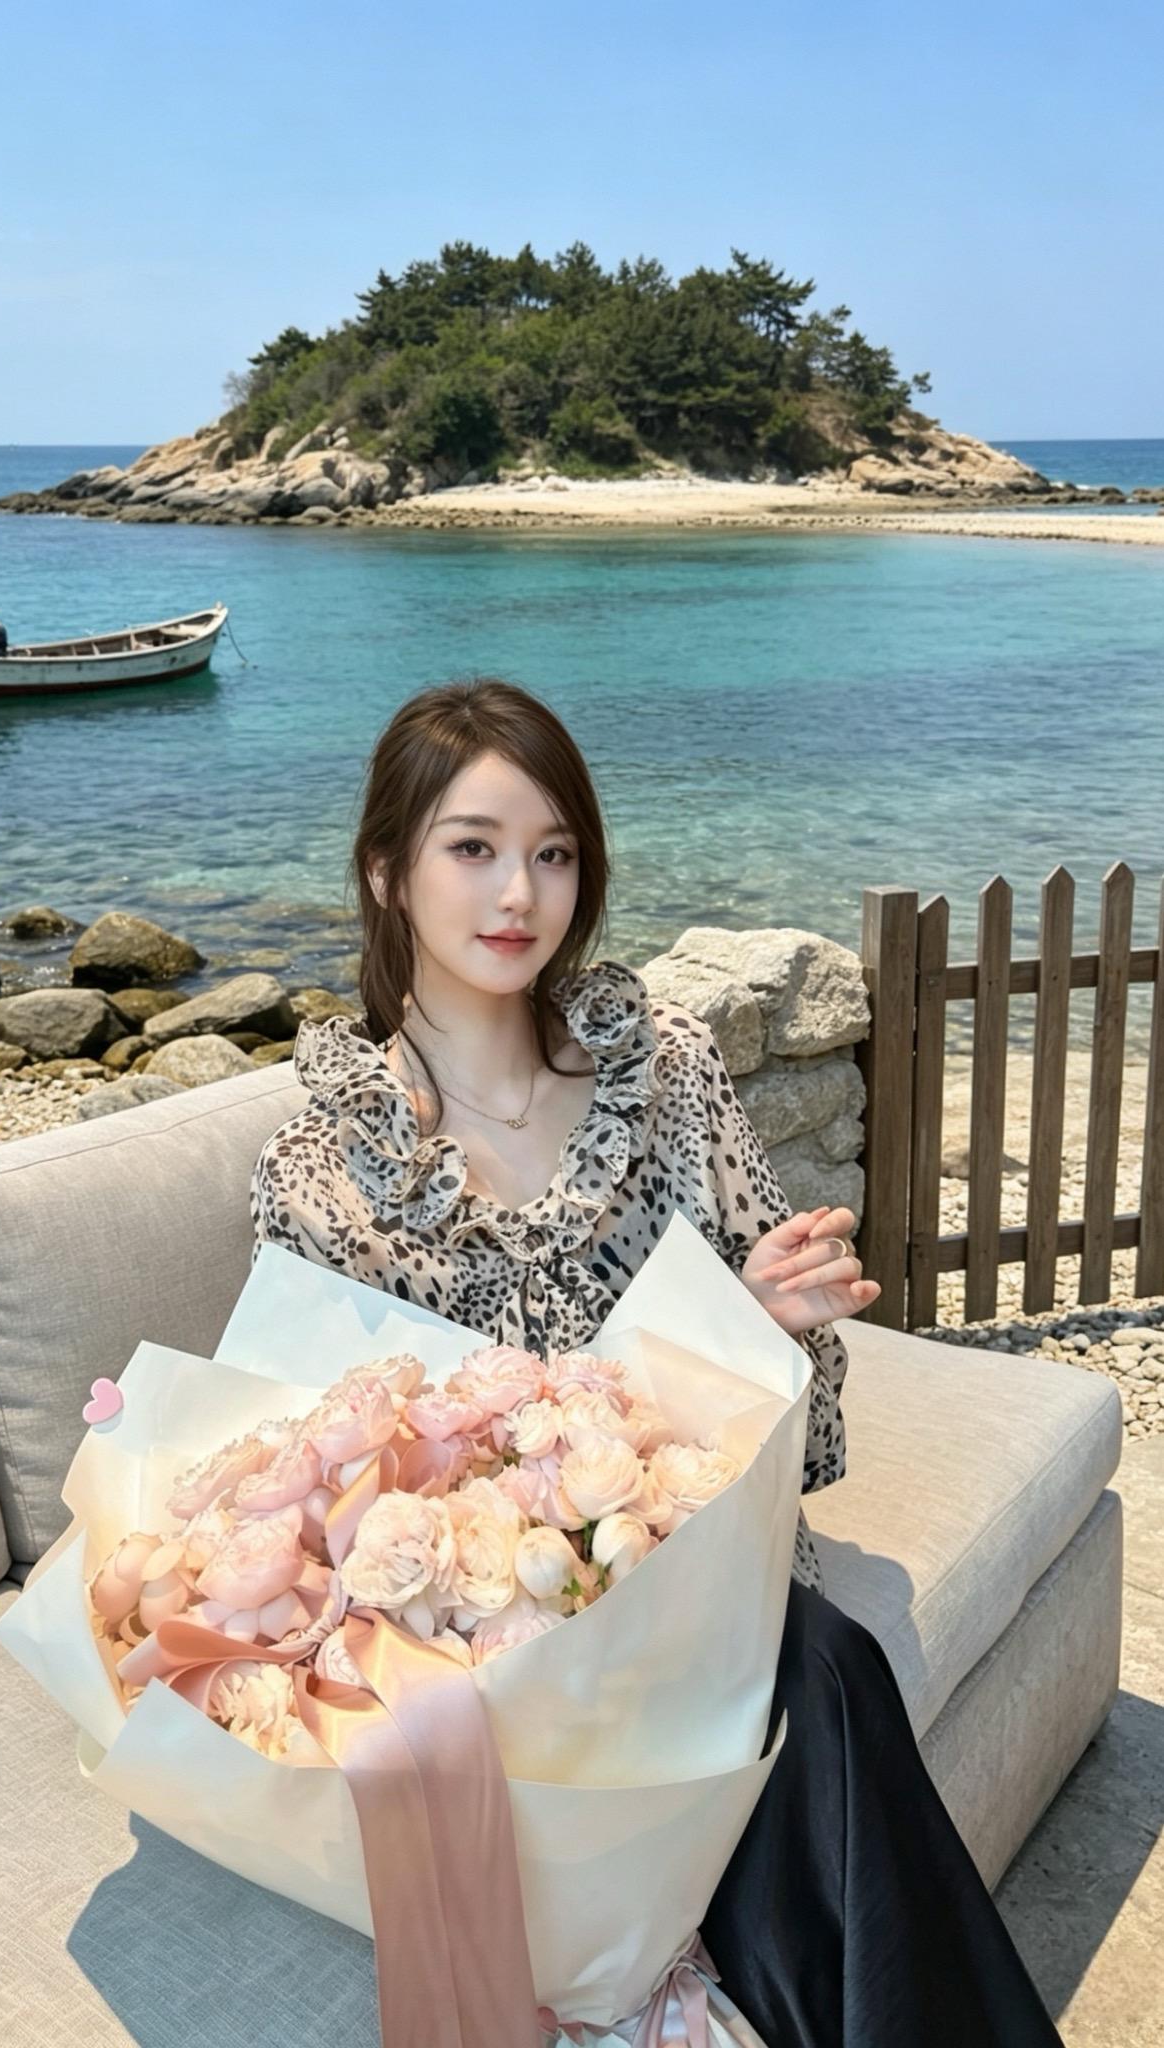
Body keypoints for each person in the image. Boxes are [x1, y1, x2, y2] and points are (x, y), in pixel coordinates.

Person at [250, 677, 1063, 2047]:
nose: (521, 893)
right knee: (808, 1688)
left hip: (706, 1572)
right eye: (473, 847)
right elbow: (327, 1493)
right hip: (492, 1639)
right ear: (387, 871)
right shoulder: (322, 1173)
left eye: (554, 852)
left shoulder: (664, 1072)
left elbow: (809, 1442)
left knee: (810, 1671)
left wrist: (762, 1324)